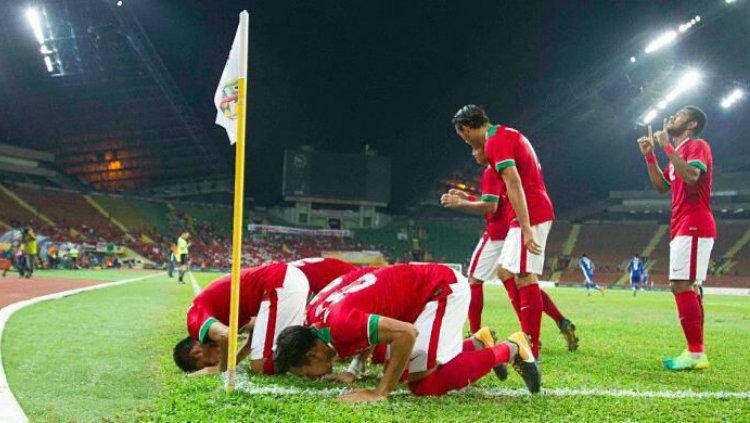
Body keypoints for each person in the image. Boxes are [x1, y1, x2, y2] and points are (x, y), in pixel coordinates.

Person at [275, 264, 540, 404]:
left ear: (311, 353)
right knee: (396, 366)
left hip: (440, 290)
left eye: (306, 373)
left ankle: (511, 348)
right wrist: (353, 371)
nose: (311, 378)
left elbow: (406, 334)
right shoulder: (315, 315)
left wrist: (381, 391)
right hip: (420, 292)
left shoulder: (339, 324)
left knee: (424, 384)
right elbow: (364, 320)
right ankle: (477, 343)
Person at [440, 140, 577, 351]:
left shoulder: (490, 171)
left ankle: (476, 334)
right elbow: (497, 200)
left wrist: (461, 203)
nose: (473, 153)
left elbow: (491, 207)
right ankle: (558, 321)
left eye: (477, 148)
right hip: (510, 228)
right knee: (515, 278)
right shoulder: (504, 167)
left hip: (498, 232)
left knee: (474, 279)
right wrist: (467, 196)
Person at [452, 105, 554, 358]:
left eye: (462, 135)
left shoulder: (495, 142)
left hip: (531, 212)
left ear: (465, 129)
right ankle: (530, 339)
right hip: (527, 212)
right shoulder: (506, 134)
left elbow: (514, 183)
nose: (465, 141)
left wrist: (527, 227)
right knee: (507, 270)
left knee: (525, 275)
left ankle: (531, 346)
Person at [173, 258, 356, 375]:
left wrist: (222, 368)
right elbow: (256, 330)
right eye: (211, 363)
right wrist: (235, 360)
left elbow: (226, 335)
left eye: (207, 362)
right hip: (281, 283)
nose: (214, 360)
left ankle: (320, 362)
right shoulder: (217, 314)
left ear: (196, 351)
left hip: (279, 283)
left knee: (262, 366)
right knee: (263, 360)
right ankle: (325, 355)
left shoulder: (194, 321)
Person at [637, 106, 715, 371]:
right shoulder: (678, 155)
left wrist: (666, 147)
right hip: (681, 223)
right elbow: (662, 187)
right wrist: (650, 157)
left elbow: (692, 176)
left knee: (680, 285)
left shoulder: (697, 145)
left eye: (680, 115)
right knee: (685, 286)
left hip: (694, 222)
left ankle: (695, 354)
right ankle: (696, 352)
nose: (672, 117)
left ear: (691, 124)